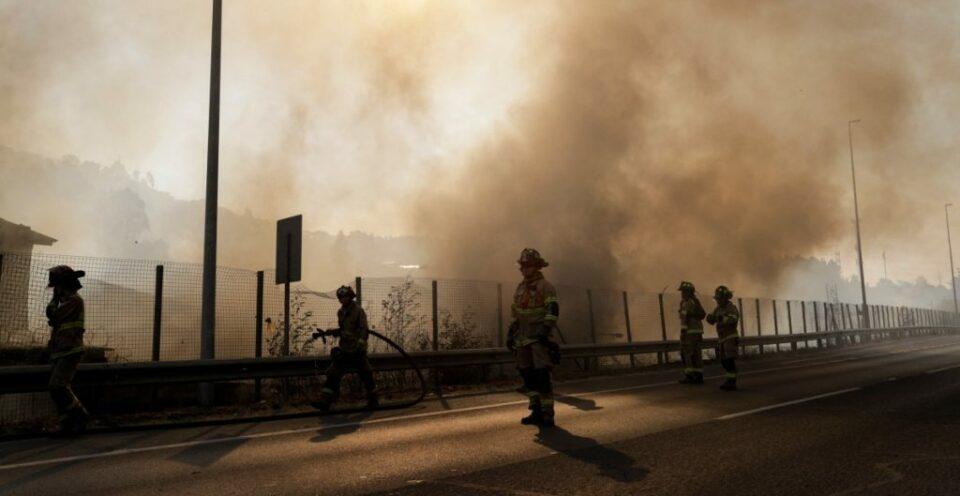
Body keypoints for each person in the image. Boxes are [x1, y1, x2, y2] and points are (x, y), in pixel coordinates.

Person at [507, 248, 561, 426]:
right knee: (527, 374)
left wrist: (545, 330)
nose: (524, 269)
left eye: (528, 265)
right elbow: (516, 312)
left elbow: (553, 310)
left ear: (537, 266)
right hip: (522, 339)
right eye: (523, 265)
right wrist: (511, 332)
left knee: (541, 375)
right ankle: (536, 410)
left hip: (538, 338)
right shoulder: (520, 287)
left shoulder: (546, 286)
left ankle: (547, 413)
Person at [312, 285, 379, 411]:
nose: (342, 299)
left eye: (344, 297)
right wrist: (334, 332)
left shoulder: (358, 311)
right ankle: (325, 401)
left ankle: (373, 401)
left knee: (366, 374)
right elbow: (344, 330)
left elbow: (364, 330)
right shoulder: (340, 312)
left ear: (350, 297)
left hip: (357, 351)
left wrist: (360, 344)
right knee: (333, 372)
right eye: (340, 297)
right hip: (345, 349)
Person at [45, 265, 90, 436]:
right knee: (57, 389)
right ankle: (66, 424)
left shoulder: (74, 301)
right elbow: (54, 320)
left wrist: (54, 300)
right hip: (60, 350)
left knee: (57, 386)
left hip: (70, 350)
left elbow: (53, 315)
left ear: (64, 285)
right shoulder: (66, 302)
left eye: (57, 287)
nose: (56, 290)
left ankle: (80, 415)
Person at [706, 285, 741, 391]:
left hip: (730, 336)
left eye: (719, 298)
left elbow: (733, 319)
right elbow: (712, 320)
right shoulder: (718, 308)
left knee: (729, 360)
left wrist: (720, 318)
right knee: (724, 361)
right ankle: (729, 379)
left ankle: (731, 381)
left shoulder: (731, 307)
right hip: (722, 338)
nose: (718, 301)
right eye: (717, 298)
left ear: (725, 298)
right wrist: (710, 318)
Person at [677, 281, 706, 384]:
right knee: (697, 354)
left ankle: (690, 376)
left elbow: (684, 319)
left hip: (689, 332)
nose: (682, 293)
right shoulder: (695, 301)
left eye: (684, 291)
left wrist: (683, 332)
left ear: (689, 292)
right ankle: (698, 376)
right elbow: (701, 314)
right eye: (682, 291)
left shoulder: (686, 302)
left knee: (686, 353)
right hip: (698, 332)